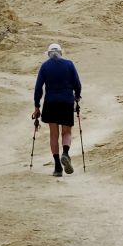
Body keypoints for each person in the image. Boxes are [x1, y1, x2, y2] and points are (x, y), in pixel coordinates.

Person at [33, 43, 82, 177]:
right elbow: (77, 84)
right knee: (66, 132)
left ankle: (57, 167)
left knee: (53, 134)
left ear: (49, 54)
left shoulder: (45, 66)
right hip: (66, 102)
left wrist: (37, 106)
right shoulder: (69, 64)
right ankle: (65, 153)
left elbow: (38, 88)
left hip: (50, 103)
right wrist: (77, 97)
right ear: (61, 53)